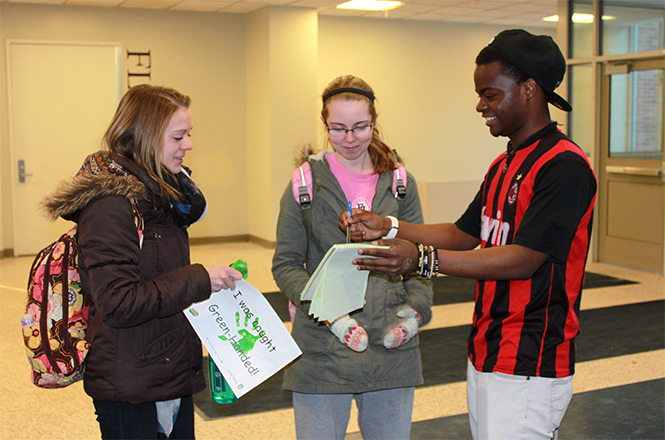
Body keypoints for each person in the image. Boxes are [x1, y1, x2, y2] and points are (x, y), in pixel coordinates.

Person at [341, 30, 597, 440]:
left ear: (529, 89)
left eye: (491, 94)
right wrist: (389, 225)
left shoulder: (564, 167)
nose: (481, 105)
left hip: (530, 358)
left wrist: (420, 259)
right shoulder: (504, 164)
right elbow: (463, 234)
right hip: (487, 348)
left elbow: (523, 258)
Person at [42, 84, 242, 439]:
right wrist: (199, 280)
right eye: (178, 136)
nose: (189, 145)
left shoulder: (158, 195)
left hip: (163, 368)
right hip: (132, 382)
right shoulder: (111, 205)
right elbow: (119, 302)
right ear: (145, 137)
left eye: (189, 134)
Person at [272, 75, 433, 440]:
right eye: (338, 128)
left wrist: (416, 313)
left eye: (361, 128)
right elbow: (286, 264)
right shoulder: (304, 184)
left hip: (391, 342)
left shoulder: (400, 184)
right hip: (323, 345)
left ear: (374, 123)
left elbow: (419, 258)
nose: (349, 139)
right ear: (325, 124)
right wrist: (332, 314)